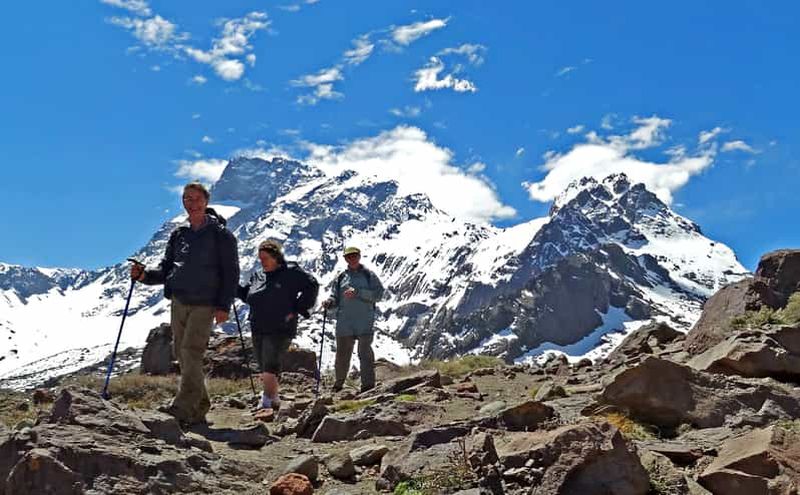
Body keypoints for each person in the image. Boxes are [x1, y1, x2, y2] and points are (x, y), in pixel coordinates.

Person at [131, 182, 239, 425]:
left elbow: (231, 273)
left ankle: (182, 406)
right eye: (186, 199)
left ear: (206, 202)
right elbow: (166, 269)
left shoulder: (221, 235)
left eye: (195, 199)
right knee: (181, 353)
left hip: (205, 302)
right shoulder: (179, 235)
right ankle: (200, 404)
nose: (191, 203)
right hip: (179, 300)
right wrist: (144, 275)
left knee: (191, 351)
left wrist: (224, 306)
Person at [238, 240, 318, 409]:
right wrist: (232, 287)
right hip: (258, 325)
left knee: (270, 362)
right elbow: (248, 295)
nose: (262, 262)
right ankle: (274, 398)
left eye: (265, 258)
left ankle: (266, 402)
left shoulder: (291, 272)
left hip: (281, 326)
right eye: (260, 259)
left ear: (276, 257)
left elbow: (311, 285)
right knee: (263, 363)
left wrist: (298, 308)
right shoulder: (258, 275)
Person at [323, 246, 384, 393]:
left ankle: (368, 386)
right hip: (345, 322)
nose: (351, 258)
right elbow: (335, 297)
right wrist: (330, 302)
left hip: (364, 322)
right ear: (345, 259)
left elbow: (379, 294)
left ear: (359, 256)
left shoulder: (369, 275)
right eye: (348, 256)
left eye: (354, 255)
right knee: (342, 355)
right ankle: (338, 385)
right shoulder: (341, 278)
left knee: (365, 354)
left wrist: (358, 293)